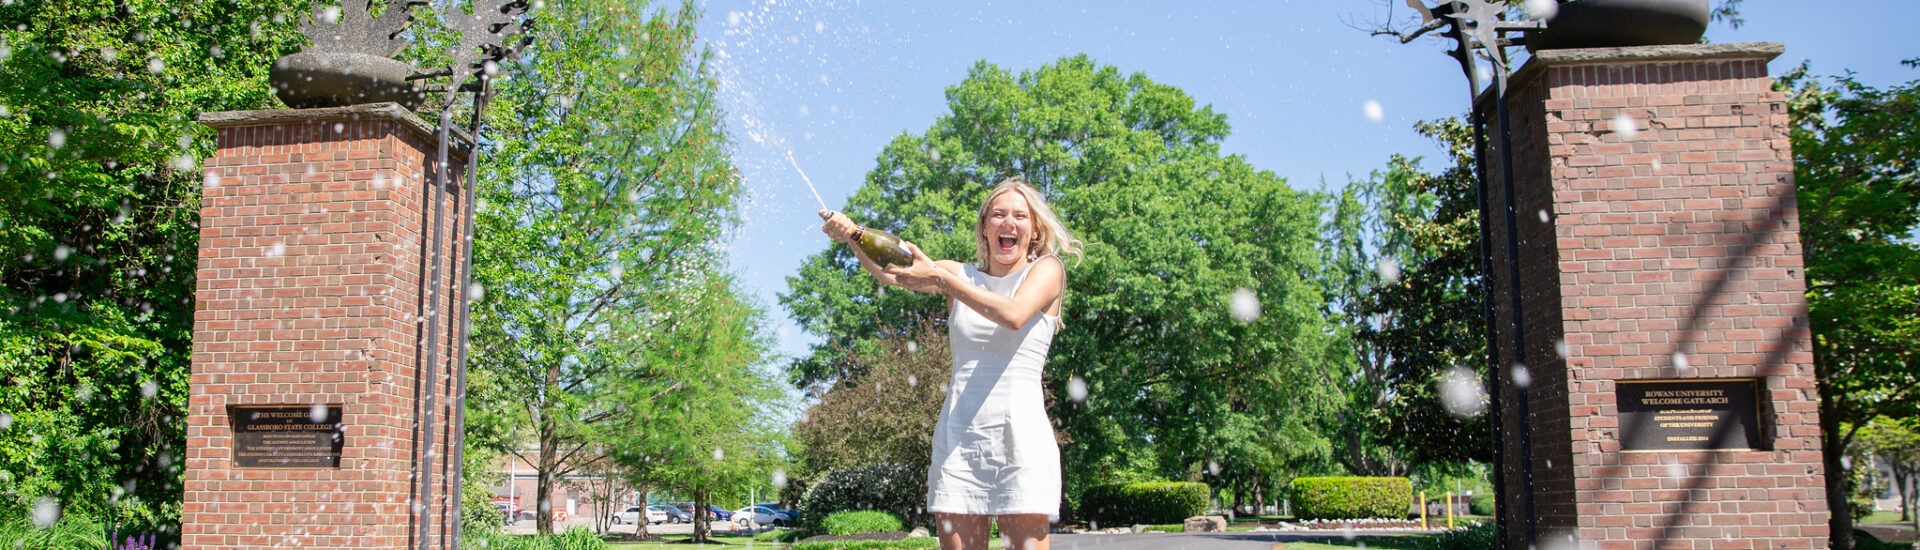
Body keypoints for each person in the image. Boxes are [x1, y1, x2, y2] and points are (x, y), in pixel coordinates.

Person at [819, 177, 1081, 550]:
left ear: (1034, 229)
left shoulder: (1047, 270)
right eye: (998, 214)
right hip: (961, 438)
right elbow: (890, 274)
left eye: (1020, 216)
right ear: (984, 228)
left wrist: (942, 279)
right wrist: (852, 236)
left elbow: (1014, 314)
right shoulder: (960, 276)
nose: (1009, 222)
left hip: (1021, 439)